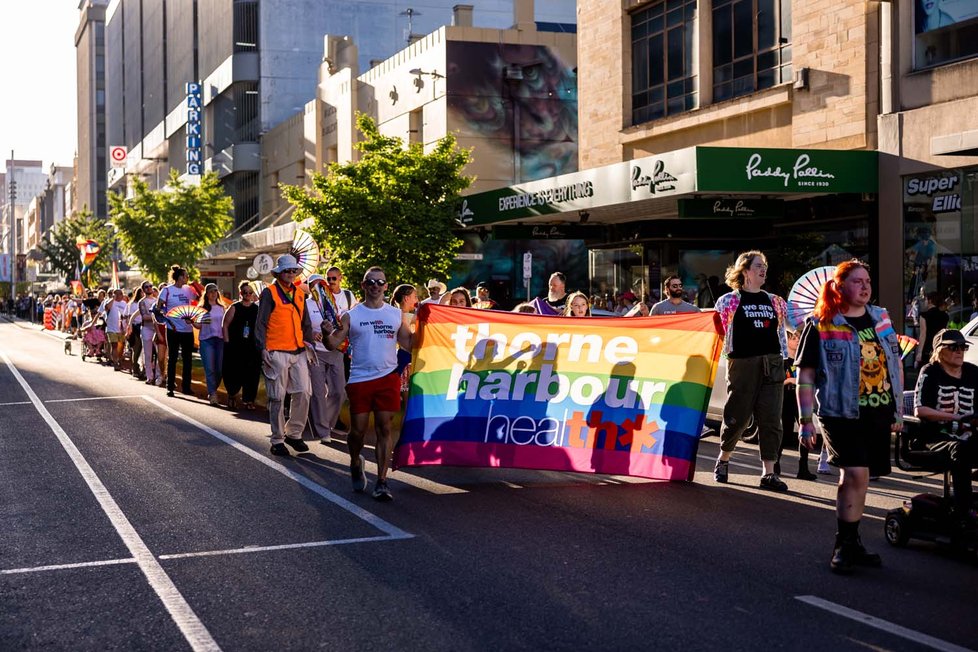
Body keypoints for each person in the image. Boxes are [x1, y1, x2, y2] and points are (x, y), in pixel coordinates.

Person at [795, 259, 903, 574]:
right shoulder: (821, 324)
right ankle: (843, 546)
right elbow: (805, 376)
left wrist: (898, 410)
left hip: (878, 410)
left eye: (868, 280)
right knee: (854, 474)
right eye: (857, 281)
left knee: (863, 477)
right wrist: (805, 421)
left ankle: (852, 543)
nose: (865, 286)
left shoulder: (881, 318)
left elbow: (894, 364)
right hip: (839, 412)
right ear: (840, 287)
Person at [325, 266, 413, 502]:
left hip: (388, 378)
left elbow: (409, 344)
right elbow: (334, 343)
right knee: (358, 432)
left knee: (385, 428)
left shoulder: (395, 314)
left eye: (380, 282)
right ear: (363, 286)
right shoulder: (351, 315)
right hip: (360, 380)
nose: (375, 285)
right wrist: (326, 333)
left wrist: (428, 325)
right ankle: (355, 461)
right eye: (370, 282)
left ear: (386, 286)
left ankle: (382, 481)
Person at [713, 251, 791, 491]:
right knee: (738, 417)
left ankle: (769, 473)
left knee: (771, 419)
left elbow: (788, 329)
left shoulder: (775, 301)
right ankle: (723, 459)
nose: (763, 269)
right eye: (758, 266)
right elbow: (717, 330)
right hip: (743, 364)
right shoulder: (729, 300)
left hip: (773, 363)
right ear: (745, 271)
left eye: (764, 266)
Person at [913, 328, 978, 526]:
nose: (960, 351)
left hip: (969, 433)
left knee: (967, 446)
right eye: (954, 347)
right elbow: (920, 410)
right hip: (936, 436)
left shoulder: (973, 372)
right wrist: (954, 416)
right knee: (961, 449)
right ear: (939, 350)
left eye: (963, 347)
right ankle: (963, 511)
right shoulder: (930, 372)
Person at [255, 254, 315, 457]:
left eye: (293, 271)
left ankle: (294, 433)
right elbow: (261, 322)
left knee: (303, 393)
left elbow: (305, 322)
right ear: (279, 273)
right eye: (287, 271)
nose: (290, 274)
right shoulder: (269, 293)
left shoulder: (300, 293)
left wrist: (310, 344)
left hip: (298, 350)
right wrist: (262, 347)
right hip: (275, 350)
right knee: (277, 397)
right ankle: (277, 439)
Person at [304, 274, 344, 443]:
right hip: (315, 352)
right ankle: (323, 430)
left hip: (335, 352)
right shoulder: (305, 304)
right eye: (312, 285)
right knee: (318, 393)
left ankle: (327, 422)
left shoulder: (334, 303)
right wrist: (311, 334)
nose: (317, 288)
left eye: (320, 285)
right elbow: (300, 327)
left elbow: (344, 325)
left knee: (339, 391)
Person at [156, 267, 199, 397]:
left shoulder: (188, 290)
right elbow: (158, 309)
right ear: (179, 277)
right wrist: (168, 320)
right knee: (173, 358)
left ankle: (186, 387)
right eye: (186, 276)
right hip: (173, 329)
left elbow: (199, 300)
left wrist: (196, 286)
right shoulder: (167, 290)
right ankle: (170, 387)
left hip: (187, 330)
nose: (187, 278)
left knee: (188, 360)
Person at [222, 281, 261, 410]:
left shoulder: (257, 309)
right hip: (235, 346)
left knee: (252, 373)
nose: (248, 295)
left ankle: (249, 399)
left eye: (250, 292)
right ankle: (232, 394)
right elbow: (225, 325)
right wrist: (227, 342)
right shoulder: (235, 307)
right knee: (234, 372)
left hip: (252, 347)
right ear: (241, 293)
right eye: (246, 292)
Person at [195, 283, 226, 406]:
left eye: (215, 291)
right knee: (209, 368)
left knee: (219, 369)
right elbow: (199, 325)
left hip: (220, 340)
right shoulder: (202, 308)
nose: (213, 293)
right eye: (211, 291)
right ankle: (212, 394)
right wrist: (191, 322)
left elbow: (226, 324)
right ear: (206, 294)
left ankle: (213, 388)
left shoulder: (222, 307)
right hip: (206, 340)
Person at [391, 283, 419, 404]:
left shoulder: (394, 314)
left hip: (398, 358)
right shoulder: (406, 316)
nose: (417, 299)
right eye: (415, 296)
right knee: (409, 401)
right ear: (407, 299)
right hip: (405, 358)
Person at [916, 291, 949, 369]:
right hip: (940, 346)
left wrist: (919, 352)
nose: (925, 302)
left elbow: (923, 334)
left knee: (926, 370)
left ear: (930, 301)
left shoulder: (924, 316)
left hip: (927, 347)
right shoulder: (945, 316)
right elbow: (944, 331)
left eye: (926, 300)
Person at [136, 282, 160, 385]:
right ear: (143, 289)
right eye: (146, 287)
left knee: (160, 354)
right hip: (146, 329)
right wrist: (156, 317)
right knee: (148, 354)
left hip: (157, 329)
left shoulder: (157, 301)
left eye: (150, 286)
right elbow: (144, 317)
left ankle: (159, 376)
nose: (149, 288)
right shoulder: (142, 302)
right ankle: (149, 376)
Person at [102, 288, 129, 371]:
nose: (119, 295)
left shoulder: (124, 303)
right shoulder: (109, 301)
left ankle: (120, 361)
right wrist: (113, 299)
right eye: (116, 293)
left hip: (122, 329)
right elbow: (107, 308)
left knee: (121, 346)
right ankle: (115, 363)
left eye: (120, 293)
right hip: (112, 328)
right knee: (114, 346)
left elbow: (127, 314)